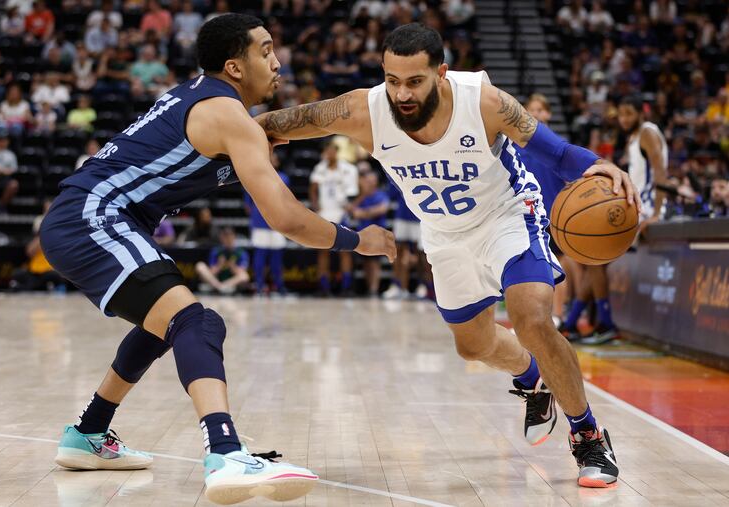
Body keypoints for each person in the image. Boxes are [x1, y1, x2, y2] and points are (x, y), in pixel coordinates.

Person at [258, 23, 641, 488]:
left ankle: (588, 435)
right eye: (392, 80)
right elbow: (283, 123)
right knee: (473, 346)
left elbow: (556, 153)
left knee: (532, 318)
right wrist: (229, 134)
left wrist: (601, 166)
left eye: (414, 81)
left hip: (508, 214)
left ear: (441, 73)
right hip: (443, 233)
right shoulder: (364, 110)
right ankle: (532, 377)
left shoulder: (483, 102)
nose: (401, 93)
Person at [38, 14, 394, 505]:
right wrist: (360, 242)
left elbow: (272, 127)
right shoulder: (226, 115)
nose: (277, 61)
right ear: (234, 65)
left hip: (85, 216)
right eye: (266, 50)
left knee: (162, 325)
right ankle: (225, 452)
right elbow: (287, 219)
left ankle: (88, 433)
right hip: (94, 216)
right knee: (195, 322)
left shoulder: (211, 103)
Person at [566, 96, 668, 345]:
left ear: (640, 113)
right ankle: (571, 324)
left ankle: (605, 324)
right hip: (636, 205)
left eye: (628, 114)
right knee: (593, 259)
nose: (624, 119)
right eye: (620, 114)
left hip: (644, 208)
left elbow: (660, 172)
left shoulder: (647, 132)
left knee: (594, 259)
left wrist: (656, 212)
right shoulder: (634, 137)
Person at [518, 94, 582, 329]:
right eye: (531, 109)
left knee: (558, 267)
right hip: (524, 215)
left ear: (549, 114)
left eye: (540, 109)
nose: (536, 113)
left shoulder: (559, 146)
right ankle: (531, 318)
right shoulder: (514, 146)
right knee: (526, 268)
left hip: (555, 215)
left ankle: (557, 315)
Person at [309, 139, 359, 296]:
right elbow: (313, 188)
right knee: (323, 251)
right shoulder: (319, 168)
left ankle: (346, 286)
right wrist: (315, 204)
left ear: (336, 151)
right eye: (327, 150)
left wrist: (351, 205)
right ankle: (323, 287)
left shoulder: (348, 169)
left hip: (341, 213)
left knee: (345, 251)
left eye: (332, 150)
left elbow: (354, 192)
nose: (329, 153)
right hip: (325, 213)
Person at [244, 151, 289, 295]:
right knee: (260, 255)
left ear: (277, 162)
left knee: (277, 257)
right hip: (260, 221)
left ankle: (279, 286)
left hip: (278, 221)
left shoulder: (283, 178)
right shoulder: (254, 175)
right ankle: (259, 285)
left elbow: (286, 200)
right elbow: (248, 203)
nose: (271, 159)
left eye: (274, 158)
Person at [348, 166, 389, 296]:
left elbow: (382, 209)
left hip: (377, 234)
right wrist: (362, 196)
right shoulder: (362, 197)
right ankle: (368, 288)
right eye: (367, 180)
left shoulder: (381, 195)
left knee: (374, 262)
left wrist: (364, 213)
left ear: (376, 181)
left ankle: (374, 289)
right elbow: (352, 210)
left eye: (371, 180)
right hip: (363, 234)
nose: (369, 183)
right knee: (365, 262)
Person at [195, 227, 250, 295]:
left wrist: (232, 266)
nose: (228, 239)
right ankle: (219, 287)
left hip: (231, 282)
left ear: (234, 237)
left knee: (245, 276)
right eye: (225, 237)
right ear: (222, 238)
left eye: (230, 236)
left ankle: (222, 287)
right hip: (217, 280)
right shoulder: (216, 251)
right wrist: (219, 265)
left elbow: (242, 272)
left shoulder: (241, 252)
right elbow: (211, 273)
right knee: (200, 265)